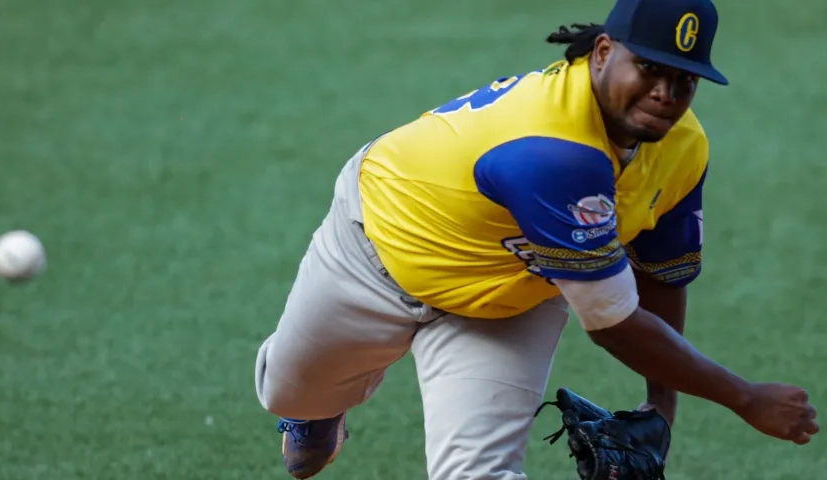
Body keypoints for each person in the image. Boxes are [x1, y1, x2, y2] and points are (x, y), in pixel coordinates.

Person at [254, 0, 819, 478]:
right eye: (648, 68)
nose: (666, 94)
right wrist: (745, 398)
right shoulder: (554, 149)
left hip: (512, 295)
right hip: (377, 251)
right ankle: (316, 408)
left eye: (684, 79)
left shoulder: (682, 147)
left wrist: (659, 413)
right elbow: (614, 325)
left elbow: (660, 271)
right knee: (289, 393)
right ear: (602, 53)